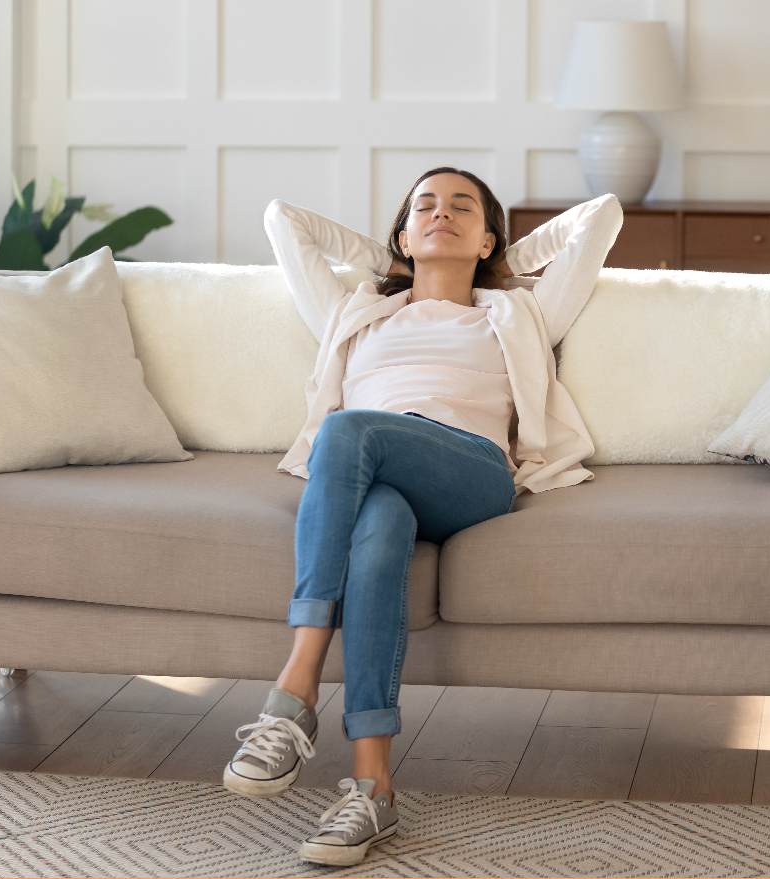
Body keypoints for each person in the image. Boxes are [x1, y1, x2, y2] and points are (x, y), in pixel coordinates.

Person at [221, 166, 622, 866]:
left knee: (348, 430)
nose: (442, 214)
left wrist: (500, 260)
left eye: (462, 208)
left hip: (469, 471)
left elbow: (604, 214)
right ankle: (374, 787)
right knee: (377, 530)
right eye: (424, 208)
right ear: (403, 233)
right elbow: (284, 216)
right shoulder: (360, 312)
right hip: (376, 478)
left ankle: (297, 682)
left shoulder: (518, 312)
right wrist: (395, 257)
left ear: (488, 234)